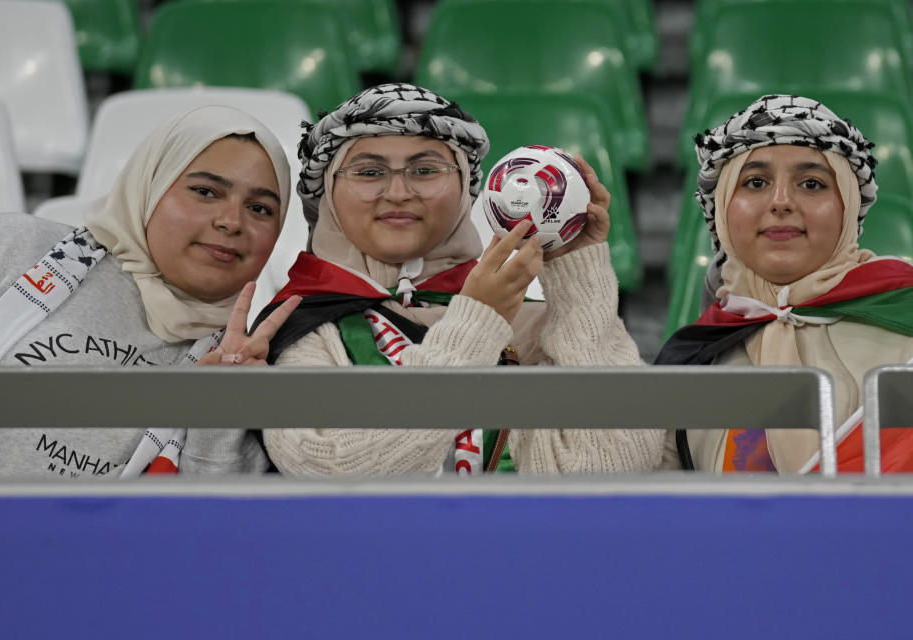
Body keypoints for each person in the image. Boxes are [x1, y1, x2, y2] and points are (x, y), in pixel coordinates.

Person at [247, 83, 664, 475]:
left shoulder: (531, 325)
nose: (398, 192)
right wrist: (476, 324)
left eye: (425, 170)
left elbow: (613, 466)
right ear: (327, 195)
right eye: (369, 172)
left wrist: (578, 276)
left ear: (466, 187)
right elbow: (335, 470)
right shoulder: (298, 330)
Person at [0, 105, 299, 478]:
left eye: (260, 209)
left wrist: (222, 410)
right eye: (205, 191)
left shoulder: (243, 360)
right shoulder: (12, 248)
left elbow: (207, 522)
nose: (232, 221)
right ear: (149, 186)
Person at [657, 94, 913, 473]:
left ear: (848, 207)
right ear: (723, 210)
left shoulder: (903, 313)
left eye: (811, 184)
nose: (781, 202)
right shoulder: (697, 354)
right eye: (755, 182)